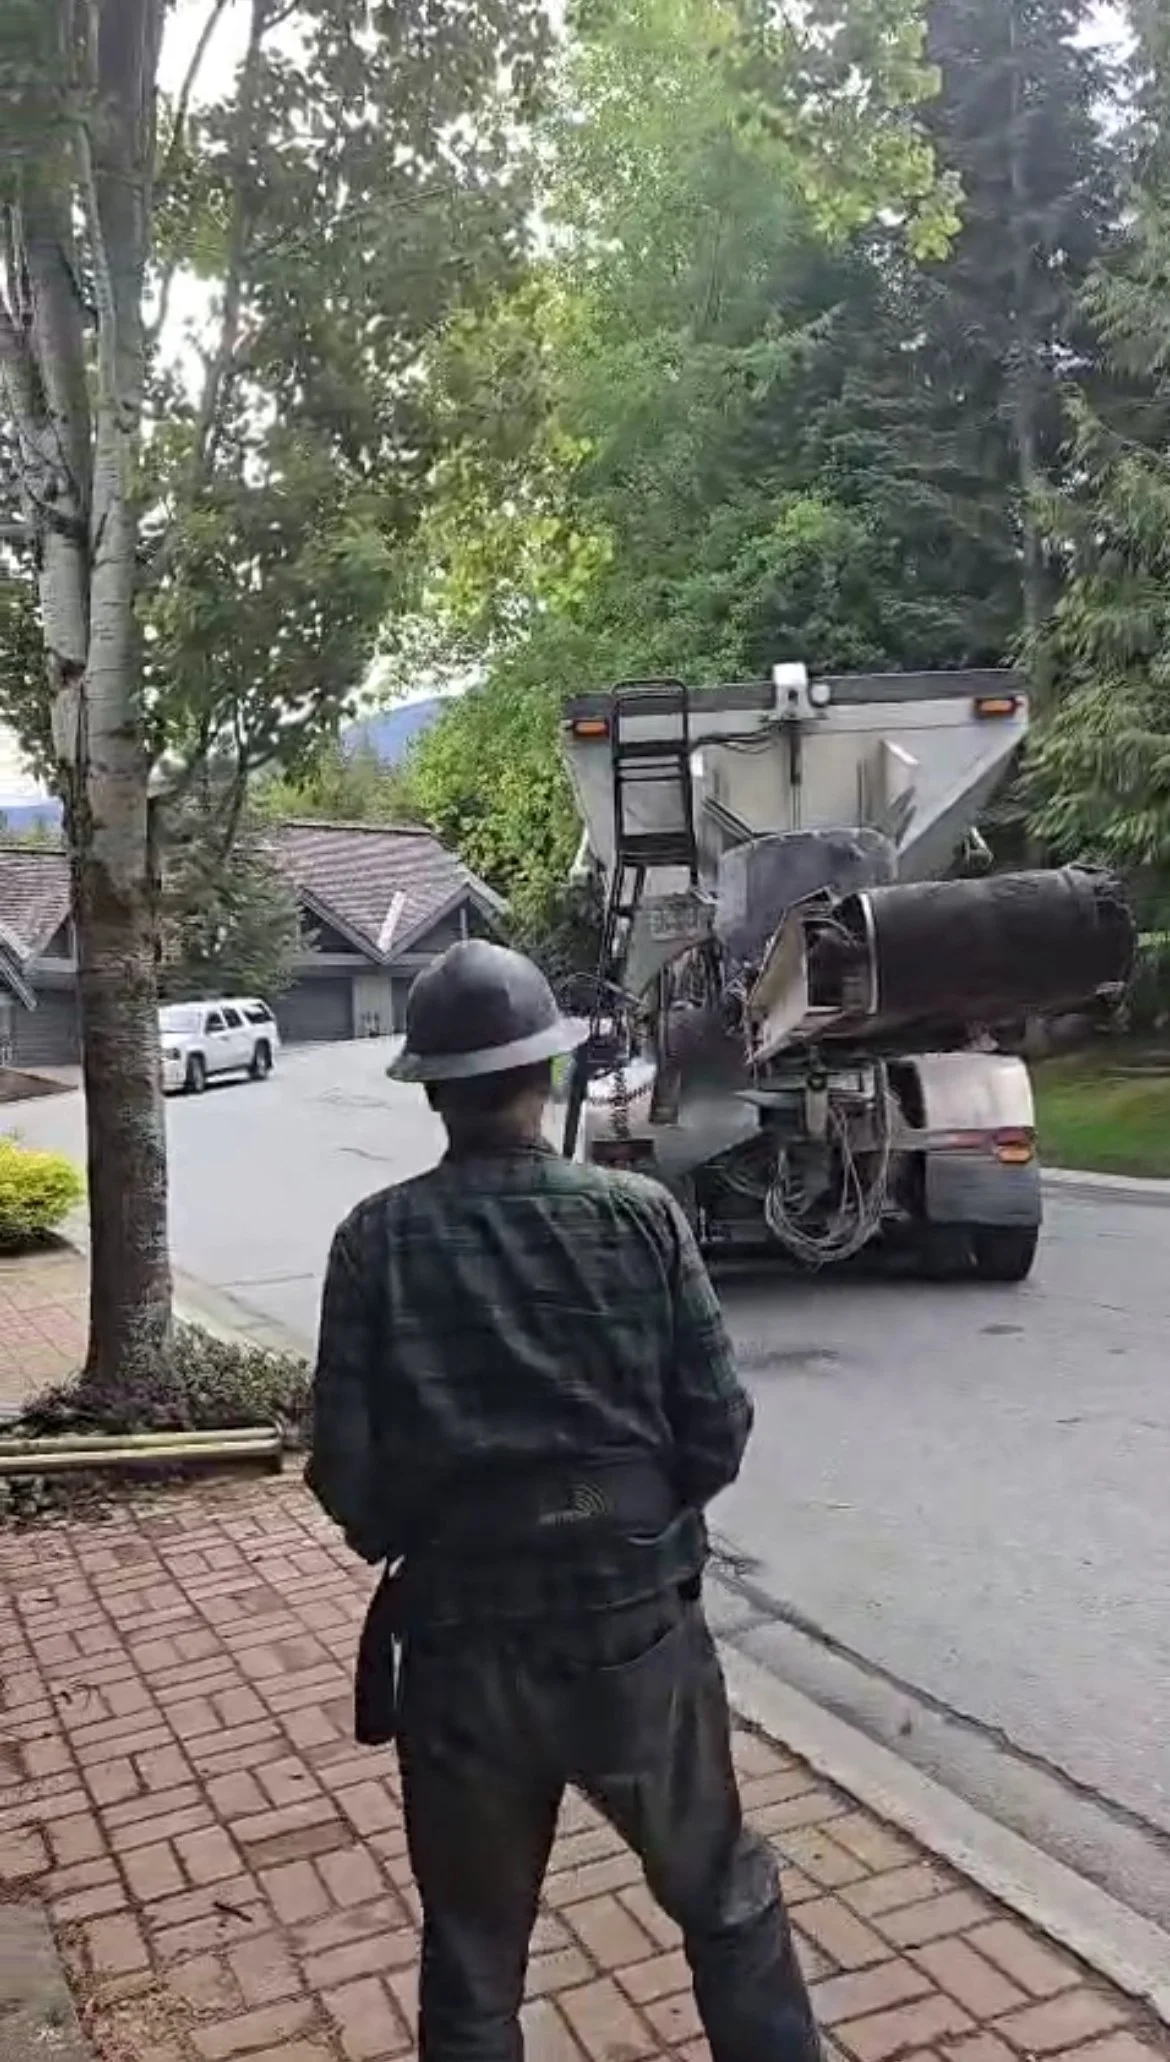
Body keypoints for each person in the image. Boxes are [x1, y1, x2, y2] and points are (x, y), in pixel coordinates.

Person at [307, 938, 821, 2062]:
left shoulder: (375, 1242)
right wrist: (634, 1527)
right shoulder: (640, 1216)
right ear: (545, 1075)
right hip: (637, 1632)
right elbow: (717, 1427)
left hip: (461, 1648)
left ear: (436, 1090)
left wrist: (442, 1541)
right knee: (726, 1902)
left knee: (475, 1959)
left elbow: (344, 1472)